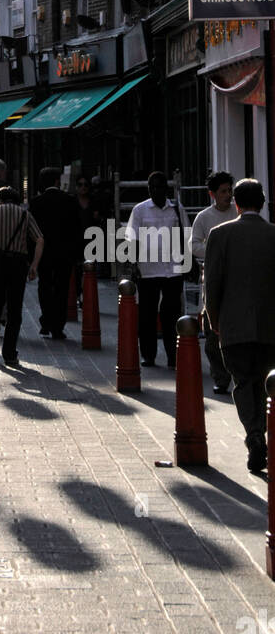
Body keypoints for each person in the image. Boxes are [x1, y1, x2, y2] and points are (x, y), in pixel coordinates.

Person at [204, 178, 275, 474]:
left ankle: (255, 434)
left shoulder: (220, 234)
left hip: (234, 325)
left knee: (244, 382)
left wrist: (214, 320)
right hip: (270, 327)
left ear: (236, 203)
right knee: (264, 383)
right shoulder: (272, 235)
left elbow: (213, 283)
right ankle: (260, 433)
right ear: (262, 203)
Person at [125, 170, 190, 368]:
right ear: (148, 189)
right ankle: (148, 355)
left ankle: (173, 355)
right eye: (153, 187)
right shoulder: (140, 210)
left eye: (160, 187)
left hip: (173, 269)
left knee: (171, 315)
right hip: (148, 269)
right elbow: (132, 239)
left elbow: (186, 236)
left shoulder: (177, 209)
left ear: (166, 189)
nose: (156, 191)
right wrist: (133, 264)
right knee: (147, 315)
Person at [0, 186, 44, 364]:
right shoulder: (24, 214)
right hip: (18, 264)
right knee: (14, 309)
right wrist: (34, 265)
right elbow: (39, 239)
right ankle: (9, 352)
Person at [190, 172, 237, 394]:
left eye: (230, 190)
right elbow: (194, 246)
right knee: (211, 332)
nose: (228, 195)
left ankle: (235, 372)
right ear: (213, 194)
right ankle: (220, 376)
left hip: (238, 280)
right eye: (223, 191)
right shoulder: (204, 217)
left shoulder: (239, 213)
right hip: (212, 280)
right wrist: (215, 252)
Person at [29, 167, 84, 342]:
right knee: (62, 288)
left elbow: (31, 231)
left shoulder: (36, 202)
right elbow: (78, 229)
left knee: (44, 285)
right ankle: (58, 327)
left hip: (43, 252)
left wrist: (32, 257)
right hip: (64, 253)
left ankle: (46, 321)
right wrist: (78, 253)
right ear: (56, 181)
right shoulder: (70, 200)